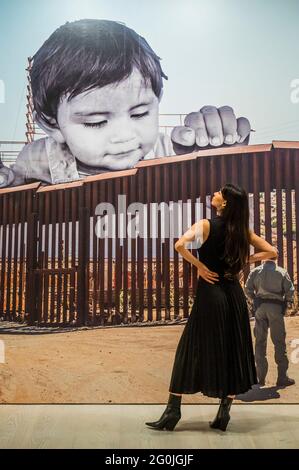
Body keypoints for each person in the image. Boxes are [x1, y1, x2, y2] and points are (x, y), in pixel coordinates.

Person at [0, 19, 251, 188]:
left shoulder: (175, 154)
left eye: (140, 114)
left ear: (157, 101)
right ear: (51, 123)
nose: (124, 136)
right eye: (96, 122)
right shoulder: (36, 160)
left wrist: (218, 164)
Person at [145, 183, 278, 432]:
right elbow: (272, 252)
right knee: (232, 349)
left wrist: (199, 266)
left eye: (219, 193)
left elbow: (179, 245)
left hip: (211, 294)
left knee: (189, 348)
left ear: (224, 202)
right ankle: (223, 414)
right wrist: (243, 260)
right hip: (234, 297)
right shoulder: (242, 231)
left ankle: (172, 411)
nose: (215, 194)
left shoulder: (206, 225)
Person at [244, 258, 295, 387]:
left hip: (260, 308)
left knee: (260, 342)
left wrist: (254, 299)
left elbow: (247, 289)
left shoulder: (255, 271)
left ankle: (260, 378)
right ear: (275, 258)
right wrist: (287, 303)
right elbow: (290, 291)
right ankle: (282, 377)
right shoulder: (281, 272)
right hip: (276, 308)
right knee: (279, 342)